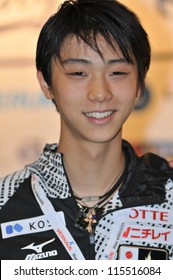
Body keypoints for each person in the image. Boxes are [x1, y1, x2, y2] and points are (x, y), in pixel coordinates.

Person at [0, 0, 173, 260]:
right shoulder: (6, 202)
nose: (100, 93)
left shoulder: (167, 197)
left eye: (117, 72)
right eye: (79, 72)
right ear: (46, 83)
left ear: (140, 83)